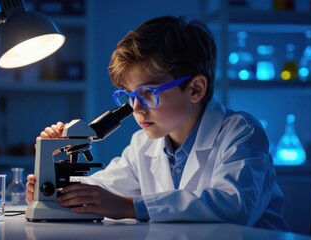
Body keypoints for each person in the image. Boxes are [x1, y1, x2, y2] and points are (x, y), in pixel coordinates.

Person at [26, 16, 288, 230]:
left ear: (195, 89)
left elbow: (233, 205)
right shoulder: (143, 144)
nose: (136, 108)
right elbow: (104, 187)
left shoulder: (241, 133)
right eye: (129, 96)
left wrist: (130, 207)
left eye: (148, 93)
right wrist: (53, 188)